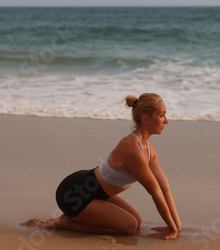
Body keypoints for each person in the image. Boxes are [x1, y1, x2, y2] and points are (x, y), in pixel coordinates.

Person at [40, 93, 182, 240]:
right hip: (75, 194)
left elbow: (164, 188)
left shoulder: (148, 149)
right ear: (145, 119)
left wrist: (176, 226)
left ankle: (75, 217)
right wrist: (172, 231)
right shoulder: (132, 149)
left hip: (97, 194)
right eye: (162, 115)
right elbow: (155, 192)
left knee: (137, 221)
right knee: (129, 227)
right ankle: (67, 224)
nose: (166, 121)